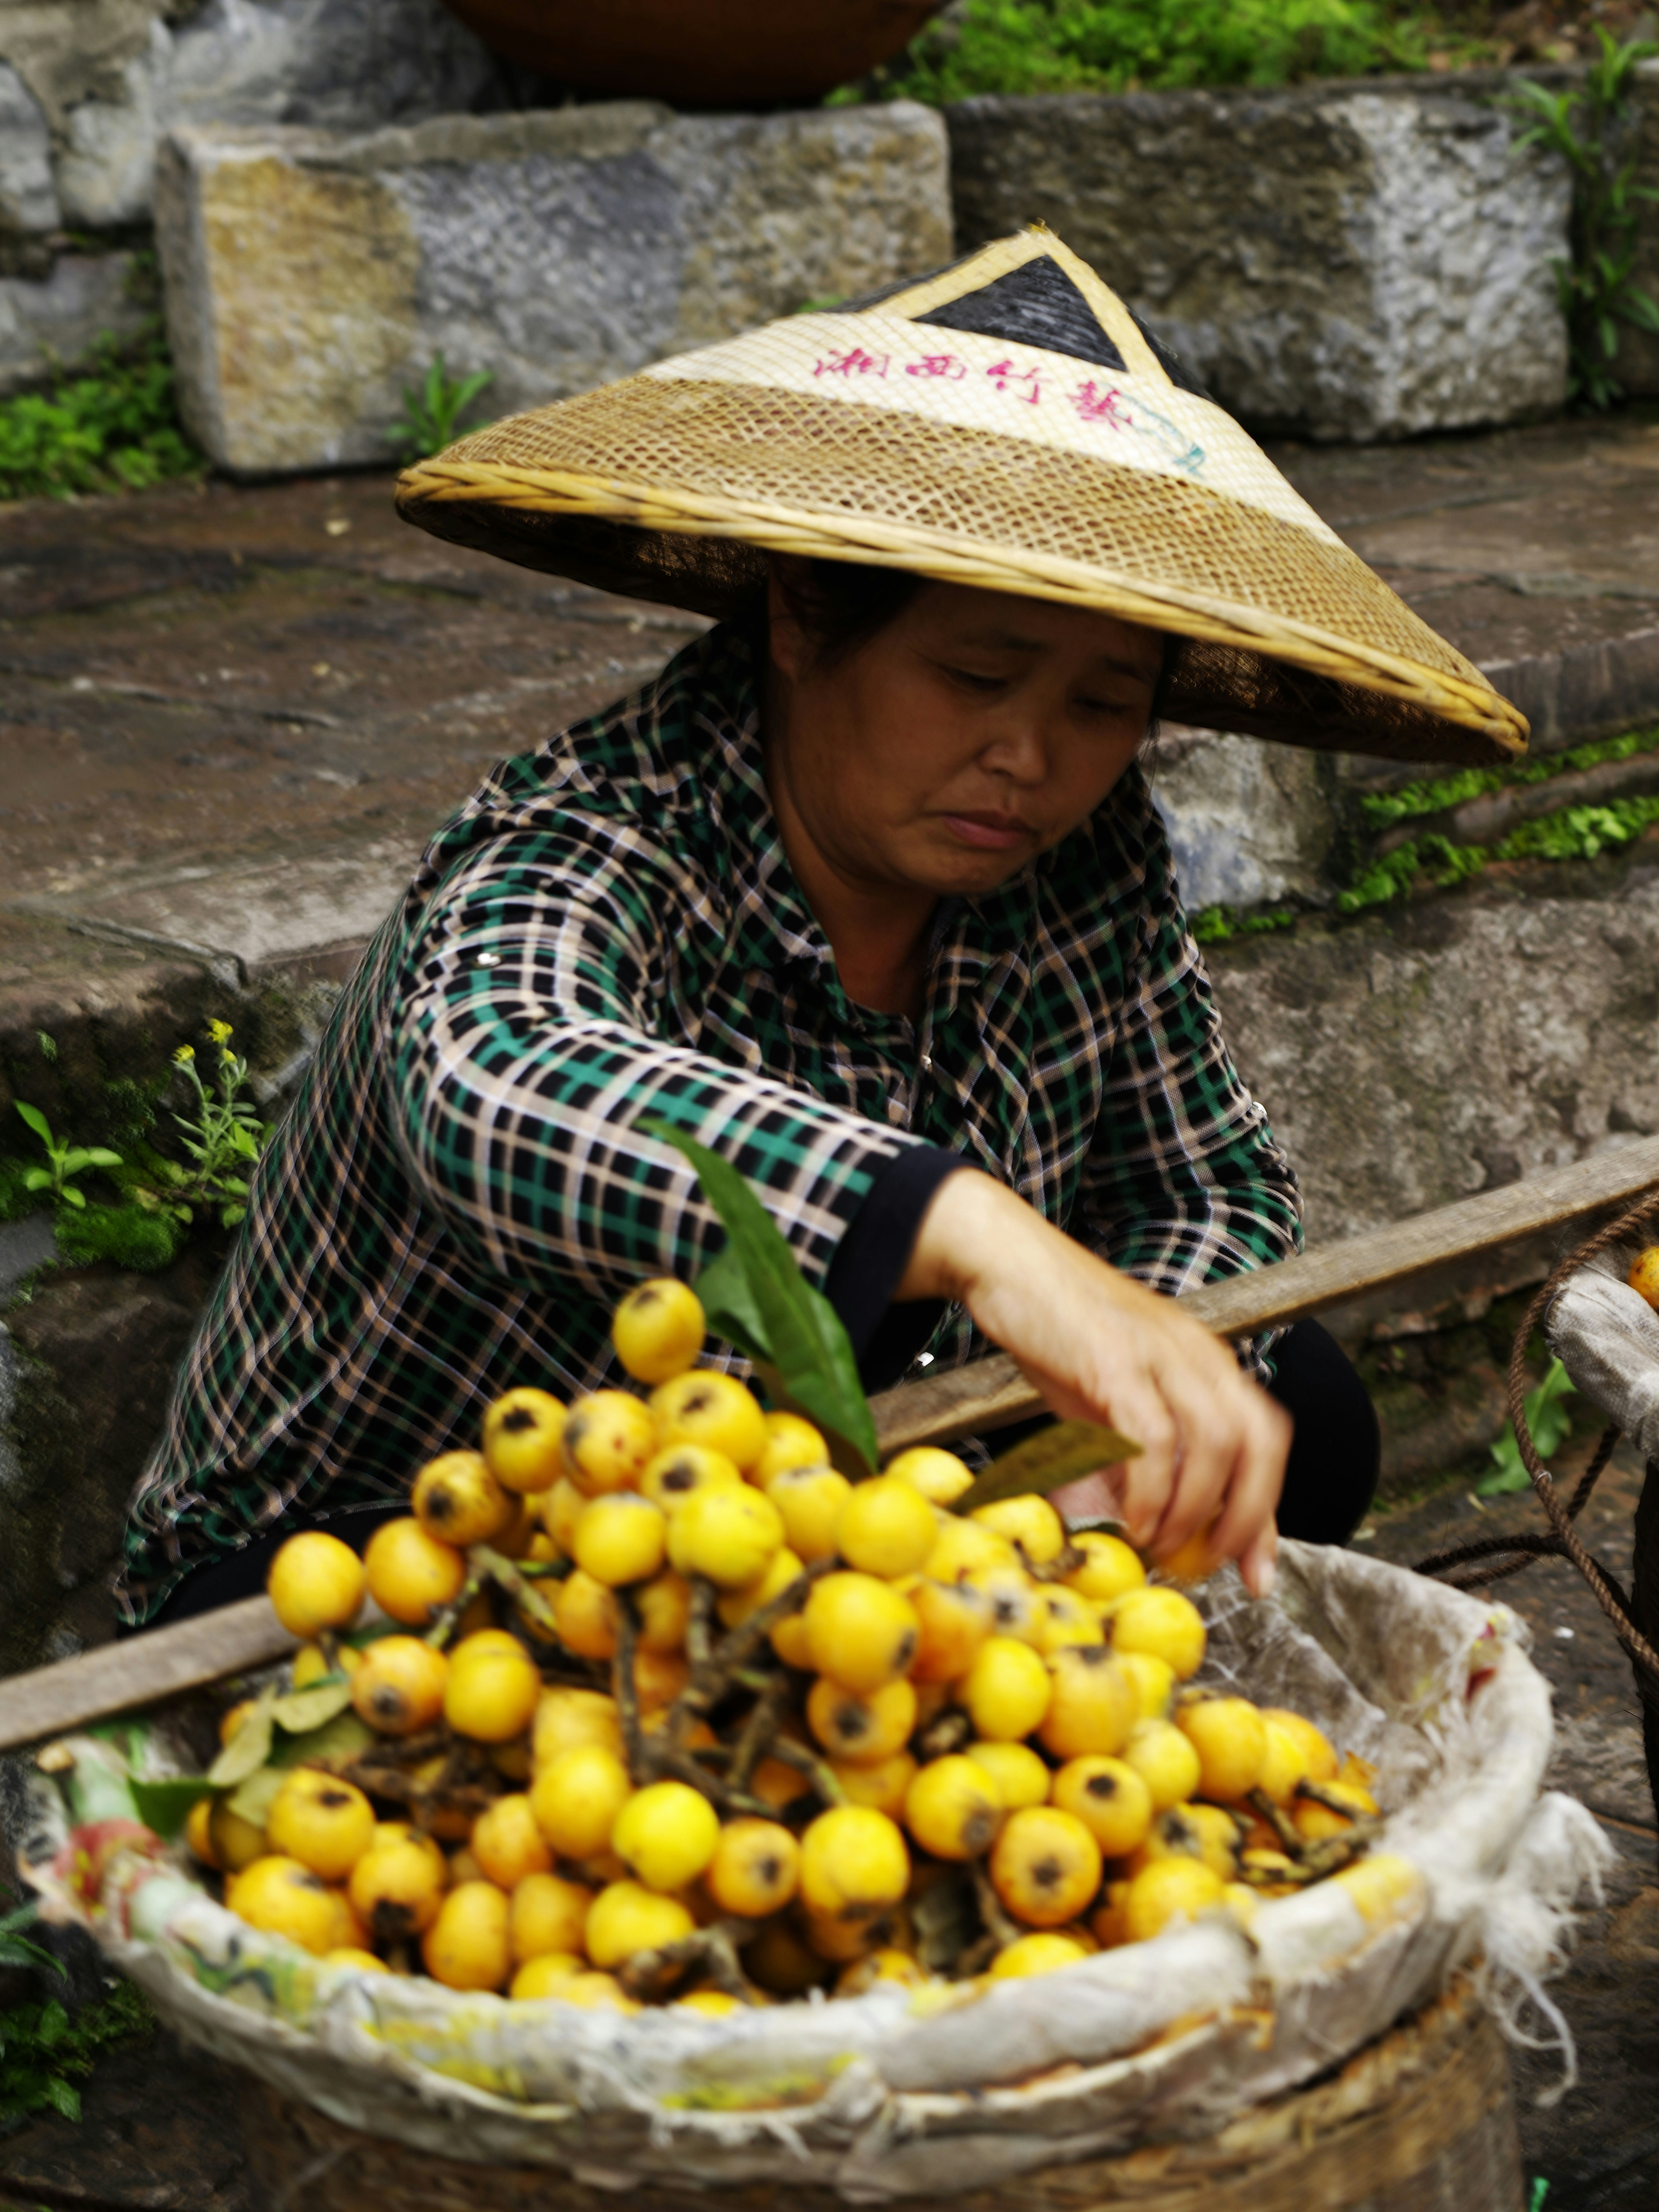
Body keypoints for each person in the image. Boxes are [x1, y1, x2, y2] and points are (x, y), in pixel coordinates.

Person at [118, 229, 1526, 1630]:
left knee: (1292, 1414)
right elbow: (494, 1075)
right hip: (419, 1542)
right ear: (802, 614)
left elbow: (1209, 1187)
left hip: (813, 1490)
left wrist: (1115, 1416)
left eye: (1103, 706)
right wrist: (963, 1229)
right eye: (977, 673)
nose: (1030, 758)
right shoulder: (601, 833)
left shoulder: (1081, 852)